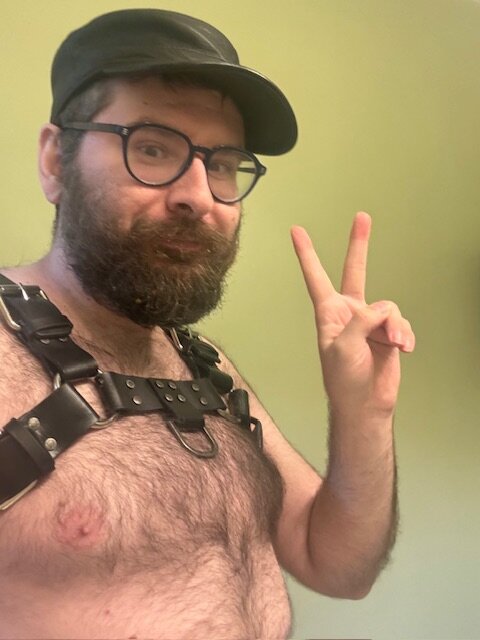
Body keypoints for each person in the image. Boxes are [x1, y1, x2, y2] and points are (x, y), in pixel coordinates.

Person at [0, 8, 415, 640]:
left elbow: (336, 565)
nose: (198, 196)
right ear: (57, 160)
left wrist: (365, 415)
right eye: (151, 148)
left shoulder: (206, 369)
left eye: (222, 163)